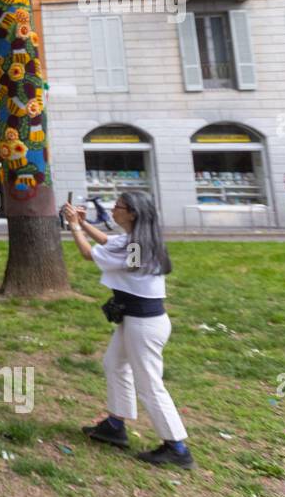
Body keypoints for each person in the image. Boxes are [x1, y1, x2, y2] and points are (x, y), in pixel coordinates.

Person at [62, 192, 194, 469]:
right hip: (136, 320)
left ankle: (177, 448)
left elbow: (89, 254)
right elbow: (108, 241)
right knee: (115, 364)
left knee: (149, 384)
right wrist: (85, 225)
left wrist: (73, 225)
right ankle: (114, 425)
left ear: (132, 213)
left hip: (144, 325)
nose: (113, 209)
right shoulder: (139, 239)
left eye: (118, 206)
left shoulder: (136, 248)